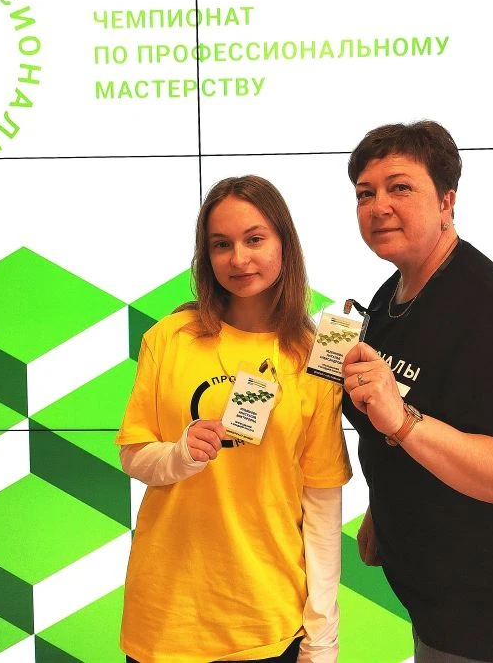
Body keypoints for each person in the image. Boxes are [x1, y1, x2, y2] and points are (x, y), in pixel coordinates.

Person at [340, 121, 493, 663]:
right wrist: (381, 511)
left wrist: (404, 422)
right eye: (365, 193)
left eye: (400, 187)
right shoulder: (394, 290)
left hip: (487, 599)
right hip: (430, 582)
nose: (378, 206)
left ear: (446, 201)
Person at [116, 175, 352, 663]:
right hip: (167, 616)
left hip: (267, 617)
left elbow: (322, 507)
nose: (239, 259)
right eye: (221, 244)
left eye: (254, 239)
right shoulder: (170, 337)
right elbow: (134, 456)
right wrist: (180, 455)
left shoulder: (315, 356)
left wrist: (322, 635)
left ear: (284, 243)